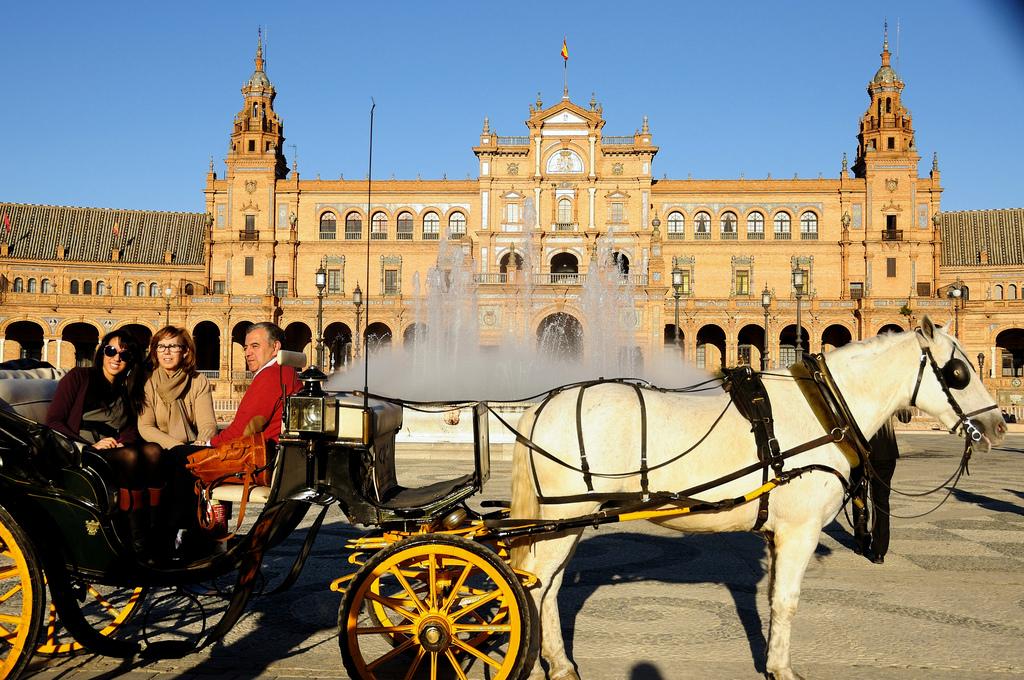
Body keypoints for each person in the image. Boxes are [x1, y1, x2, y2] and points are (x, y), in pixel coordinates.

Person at [45, 329, 160, 555]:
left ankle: (155, 529)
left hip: (111, 449)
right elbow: (54, 421)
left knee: (154, 452)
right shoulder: (79, 376)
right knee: (132, 456)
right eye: (111, 350)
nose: (116, 358)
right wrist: (89, 446)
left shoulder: (126, 389)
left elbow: (129, 428)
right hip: (79, 450)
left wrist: (122, 442)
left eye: (124, 355)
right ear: (102, 351)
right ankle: (139, 543)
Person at [210, 322, 301, 446]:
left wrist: (208, 444)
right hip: (275, 451)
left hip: (260, 457)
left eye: (255, 346)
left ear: (275, 347)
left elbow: (243, 429)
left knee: (177, 455)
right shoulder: (287, 371)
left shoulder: (271, 375)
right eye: (246, 347)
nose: (247, 353)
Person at [139, 326, 217, 448]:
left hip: (192, 445)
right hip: (158, 447)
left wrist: (202, 441)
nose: (166, 351)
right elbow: (145, 427)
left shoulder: (198, 381)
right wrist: (177, 447)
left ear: (185, 351)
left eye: (173, 346)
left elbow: (207, 423)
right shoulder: (148, 382)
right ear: (155, 352)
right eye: (161, 346)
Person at [853, 408, 907, 564]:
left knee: (858, 498)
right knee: (881, 501)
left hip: (860, 450)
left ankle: (861, 543)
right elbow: (905, 417)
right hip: (884, 451)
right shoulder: (890, 389)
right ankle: (879, 551)